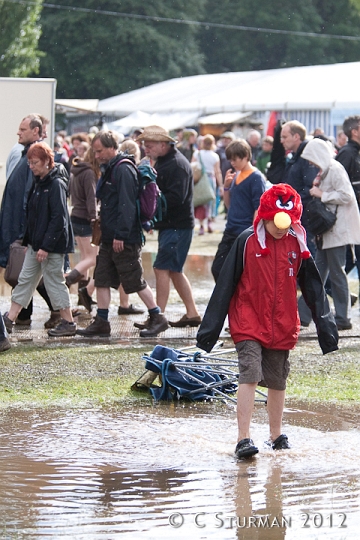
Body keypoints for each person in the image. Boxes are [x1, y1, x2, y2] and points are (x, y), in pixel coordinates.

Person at [196, 183, 338, 459]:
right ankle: (243, 438)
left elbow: (313, 288)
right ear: (266, 215)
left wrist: (326, 328)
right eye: (277, 223)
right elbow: (224, 285)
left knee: (277, 380)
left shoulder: (297, 242)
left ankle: (276, 434)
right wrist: (209, 331)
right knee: (250, 373)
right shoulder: (247, 241)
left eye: (287, 224)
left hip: (282, 322)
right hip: (248, 319)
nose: (282, 229)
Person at [76, 130, 168, 338]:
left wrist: (121, 235)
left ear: (111, 147)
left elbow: (126, 205)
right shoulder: (110, 167)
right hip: (109, 236)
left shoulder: (123, 169)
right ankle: (101, 321)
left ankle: (157, 317)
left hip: (123, 238)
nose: (97, 155)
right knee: (101, 278)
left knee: (134, 279)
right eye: (95, 151)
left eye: (100, 151)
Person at [2, 142, 76, 337]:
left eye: (34, 162)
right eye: (30, 163)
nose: (31, 166)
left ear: (46, 162)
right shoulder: (40, 182)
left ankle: (68, 321)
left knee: (54, 281)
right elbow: (34, 216)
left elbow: (58, 219)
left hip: (50, 246)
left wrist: (45, 246)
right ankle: (9, 319)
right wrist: (29, 242)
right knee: (25, 279)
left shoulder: (55, 184)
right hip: (38, 245)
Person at [135, 125, 201, 328]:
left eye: (150, 144)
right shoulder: (168, 161)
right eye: (145, 144)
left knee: (161, 268)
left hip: (177, 227)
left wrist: (151, 200)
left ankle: (158, 316)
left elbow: (176, 198)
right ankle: (192, 313)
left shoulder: (176, 165)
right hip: (174, 225)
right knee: (173, 270)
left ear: (164, 144)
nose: (146, 148)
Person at [0, 114, 59, 329]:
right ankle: (25, 315)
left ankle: (58, 313)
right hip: (17, 224)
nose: (18, 132)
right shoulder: (24, 153)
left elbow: (30, 196)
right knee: (24, 273)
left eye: (23, 129)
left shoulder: (34, 157)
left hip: (24, 228)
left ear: (36, 131)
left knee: (28, 273)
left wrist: (26, 232)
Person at [298, 137, 360, 330]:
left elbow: (346, 195)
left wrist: (321, 195)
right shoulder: (328, 170)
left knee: (335, 275)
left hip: (337, 231)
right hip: (329, 232)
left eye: (311, 158)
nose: (310, 163)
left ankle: (342, 317)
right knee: (319, 274)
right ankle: (303, 314)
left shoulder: (334, 169)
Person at [211, 139, 266, 281]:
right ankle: (231, 300)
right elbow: (229, 205)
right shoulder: (236, 175)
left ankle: (236, 301)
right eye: (230, 160)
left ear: (246, 157)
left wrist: (254, 233)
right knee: (218, 268)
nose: (232, 163)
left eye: (235, 159)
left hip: (245, 231)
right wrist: (227, 187)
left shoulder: (256, 177)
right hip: (231, 229)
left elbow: (258, 207)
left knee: (239, 272)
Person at [280, 120, 319, 256]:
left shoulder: (307, 156)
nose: (281, 141)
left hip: (306, 215)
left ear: (296, 137)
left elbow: (310, 186)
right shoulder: (296, 156)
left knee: (309, 255)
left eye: (285, 137)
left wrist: (292, 201)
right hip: (297, 214)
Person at [335, 115, 360, 300]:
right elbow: (339, 187)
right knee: (340, 262)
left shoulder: (355, 152)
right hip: (352, 218)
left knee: (347, 261)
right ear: (355, 131)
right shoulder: (347, 153)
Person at [192, 134, 223, 234]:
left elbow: (192, 166)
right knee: (210, 201)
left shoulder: (197, 154)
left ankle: (201, 226)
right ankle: (209, 222)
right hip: (210, 179)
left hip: (200, 179)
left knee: (201, 201)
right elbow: (217, 171)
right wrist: (221, 185)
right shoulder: (215, 156)